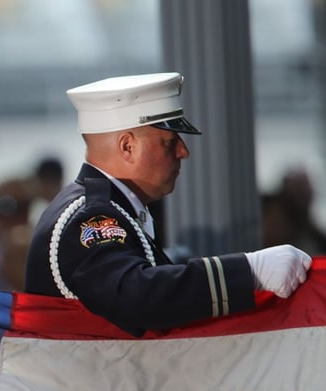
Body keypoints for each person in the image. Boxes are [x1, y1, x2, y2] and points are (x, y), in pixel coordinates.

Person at [24, 72, 311, 336]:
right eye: (169, 142)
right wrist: (248, 271)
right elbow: (135, 296)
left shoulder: (109, 208)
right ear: (127, 146)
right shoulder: (92, 216)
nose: (183, 152)